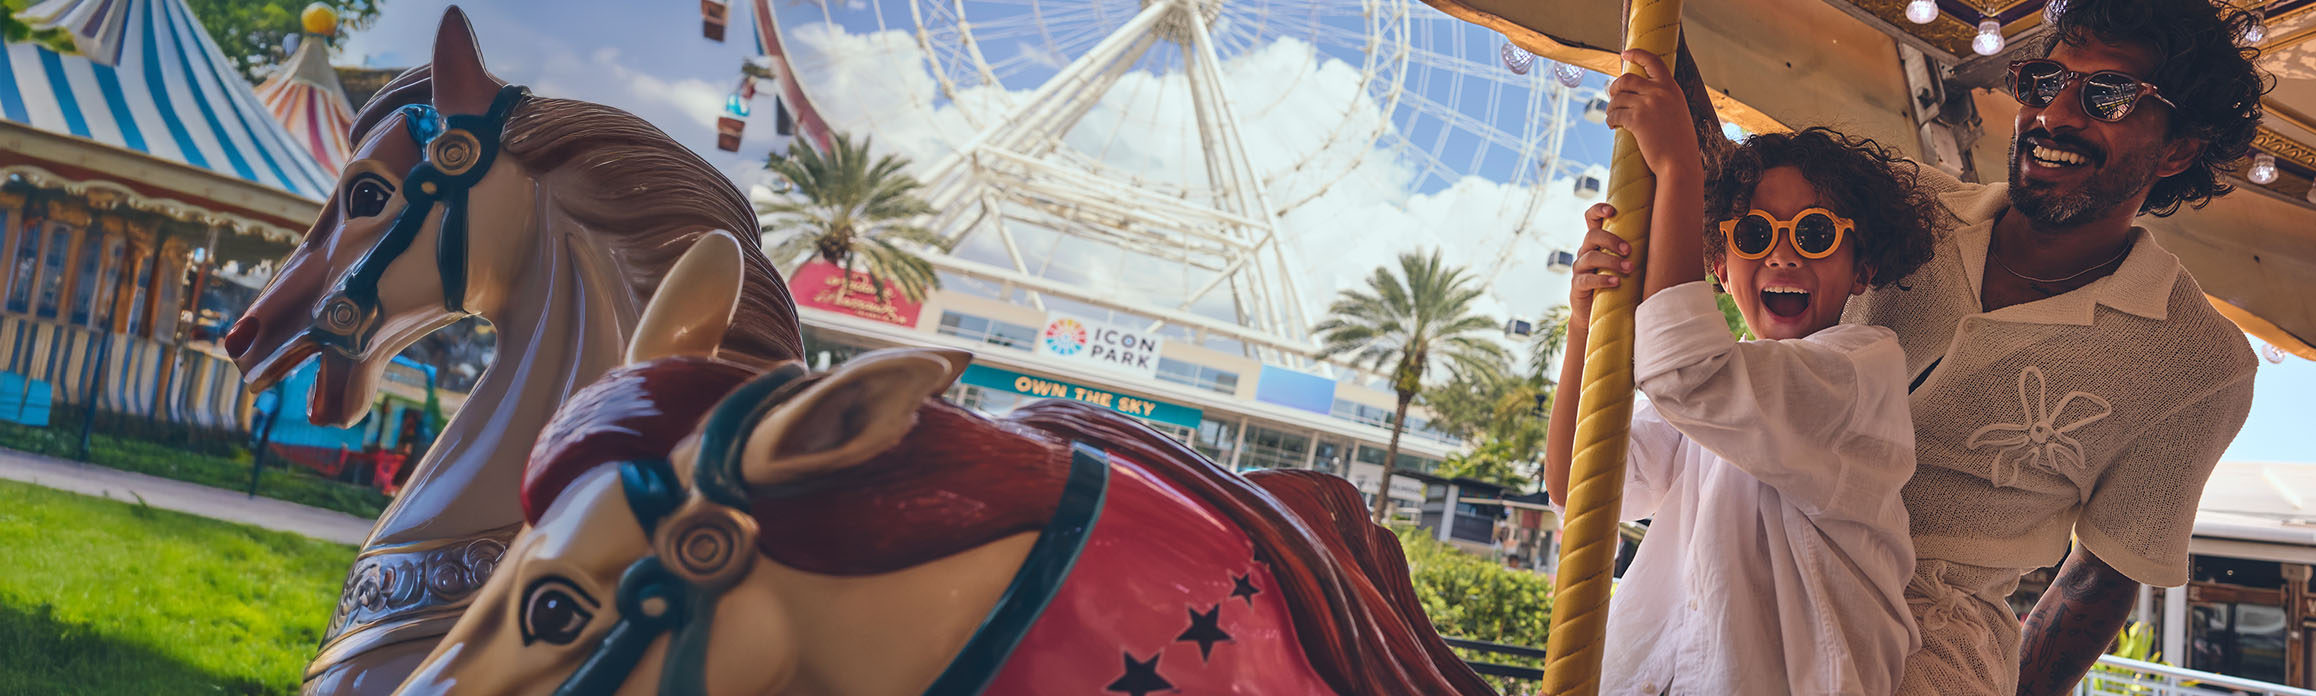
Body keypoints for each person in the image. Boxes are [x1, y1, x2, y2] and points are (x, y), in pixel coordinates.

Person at [1838, 0, 2263, 692]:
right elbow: (1718, 204)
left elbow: (2102, 576)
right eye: (2043, 83)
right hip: (1730, 578)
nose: (2056, 116)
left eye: (2110, 96)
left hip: (1921, 655)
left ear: (2181, 148)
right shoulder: (1899, 204)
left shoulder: (2200, 364)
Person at [1544, 47, 1941, 695]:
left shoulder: (1858, 379)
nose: (1783, 255)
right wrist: (1585, 328)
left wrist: (1679, 169)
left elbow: (1686, 372)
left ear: (1863, 268)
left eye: (1814, 234)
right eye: (1754, 236)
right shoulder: (1723, 394)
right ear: (1721, 271)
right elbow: (1576, 483)